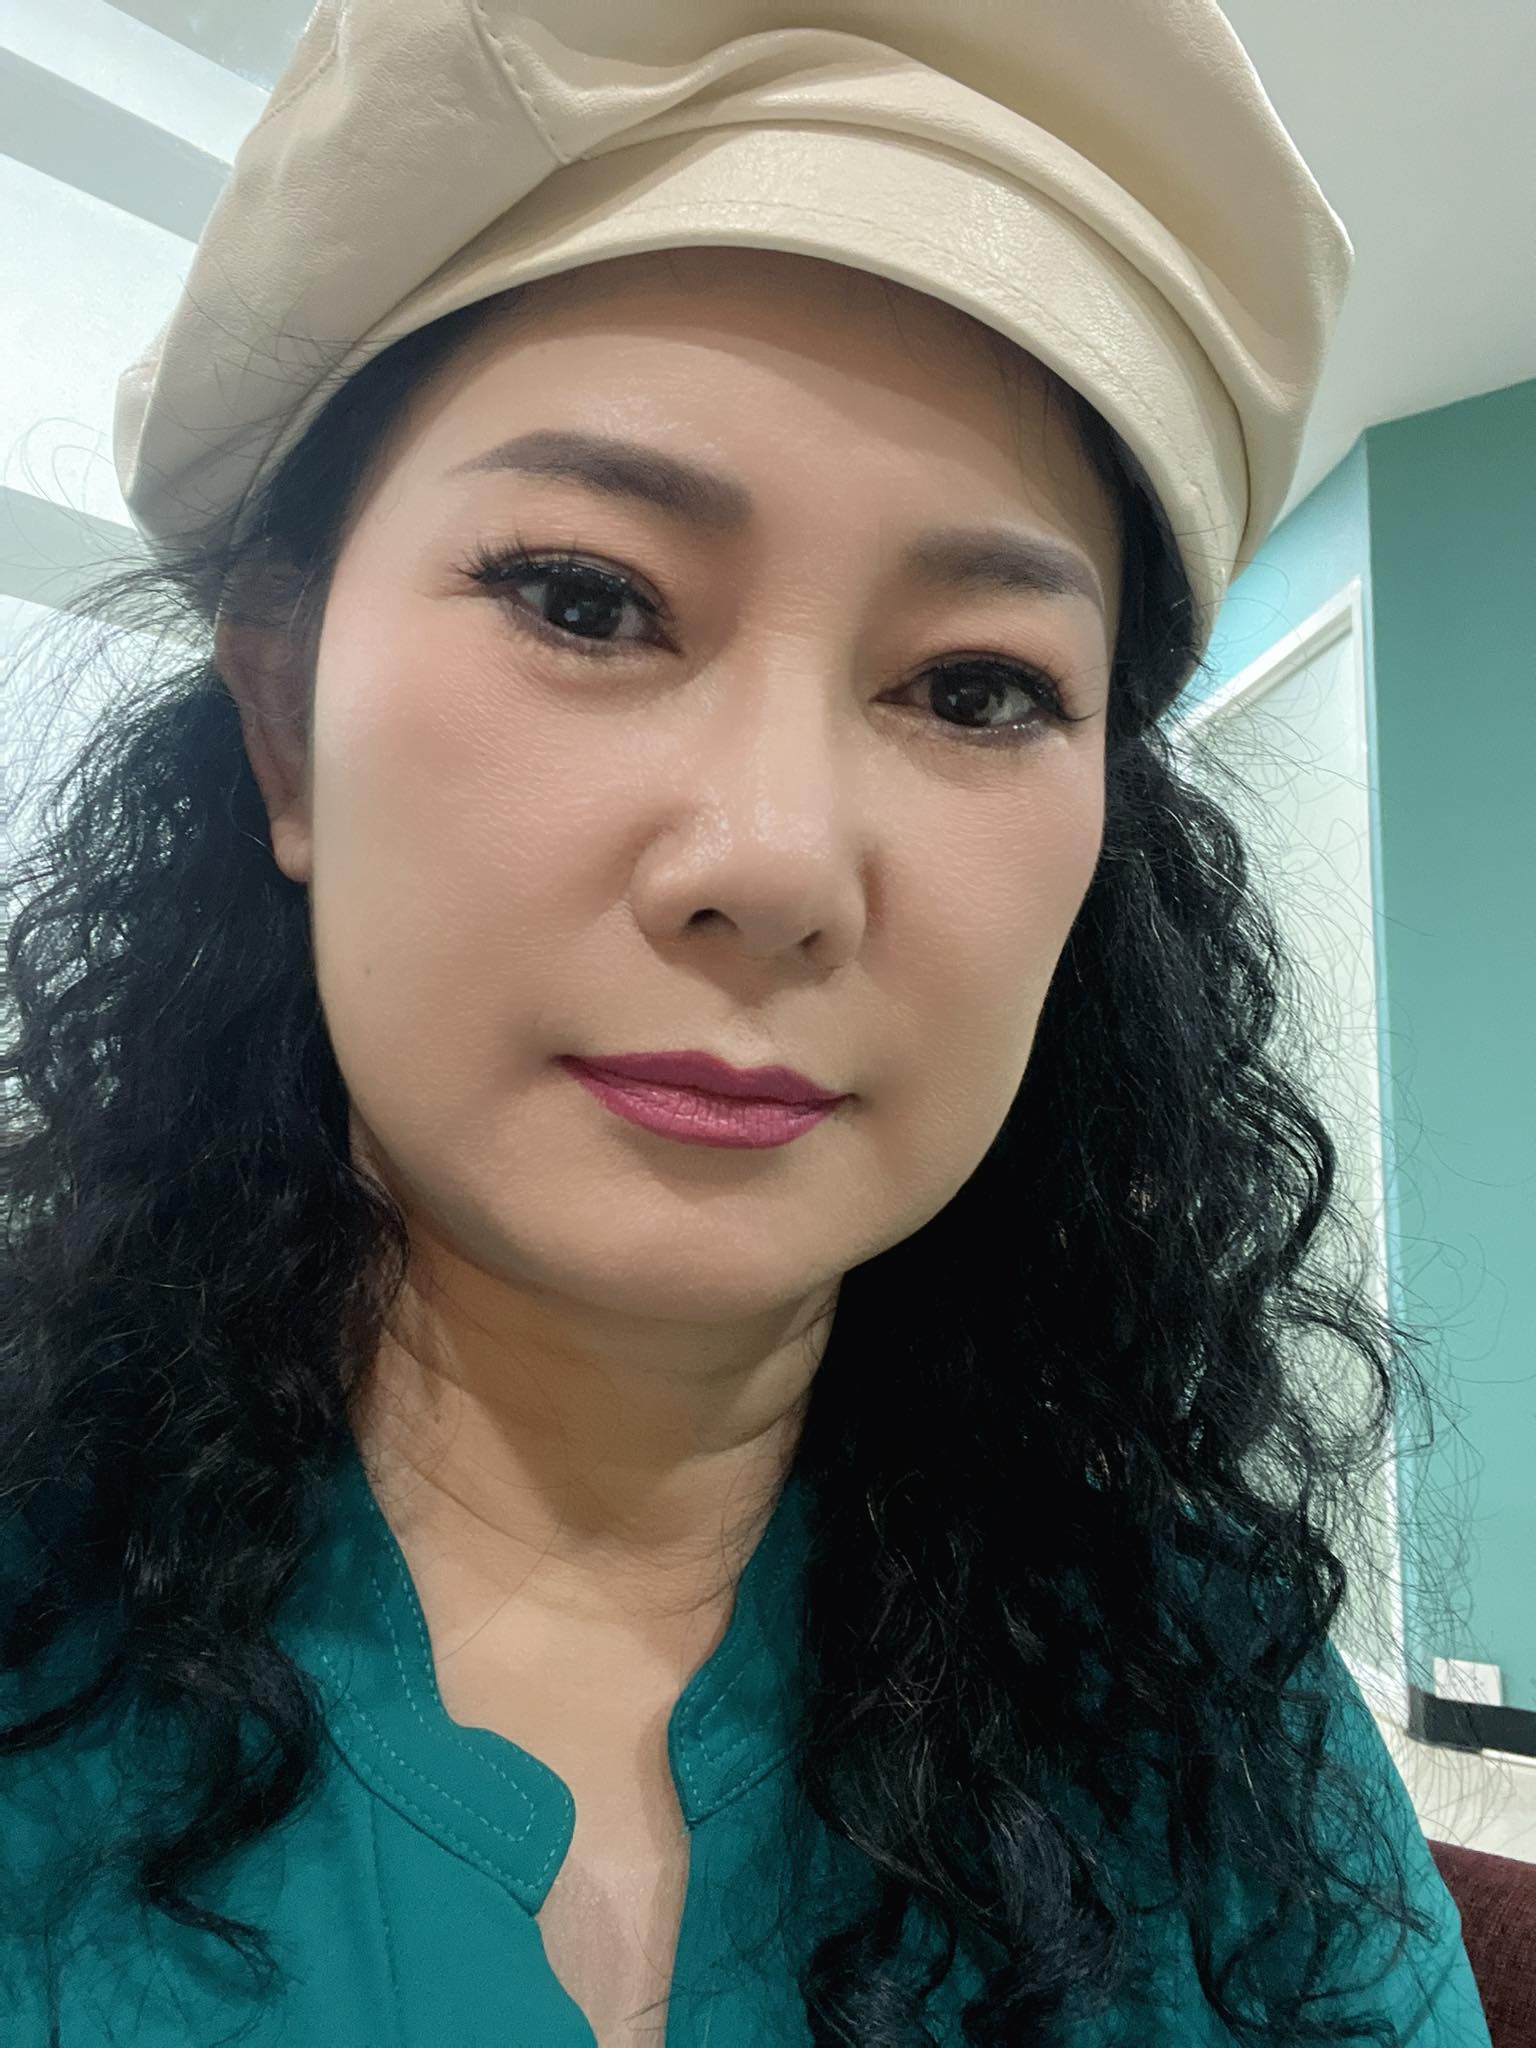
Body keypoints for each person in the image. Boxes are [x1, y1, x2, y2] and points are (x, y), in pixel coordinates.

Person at [0, 4, 1493, 2045]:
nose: (776, 859)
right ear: (282, 720)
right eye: (587, 597)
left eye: (977, 689)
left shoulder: (1221, 1714)